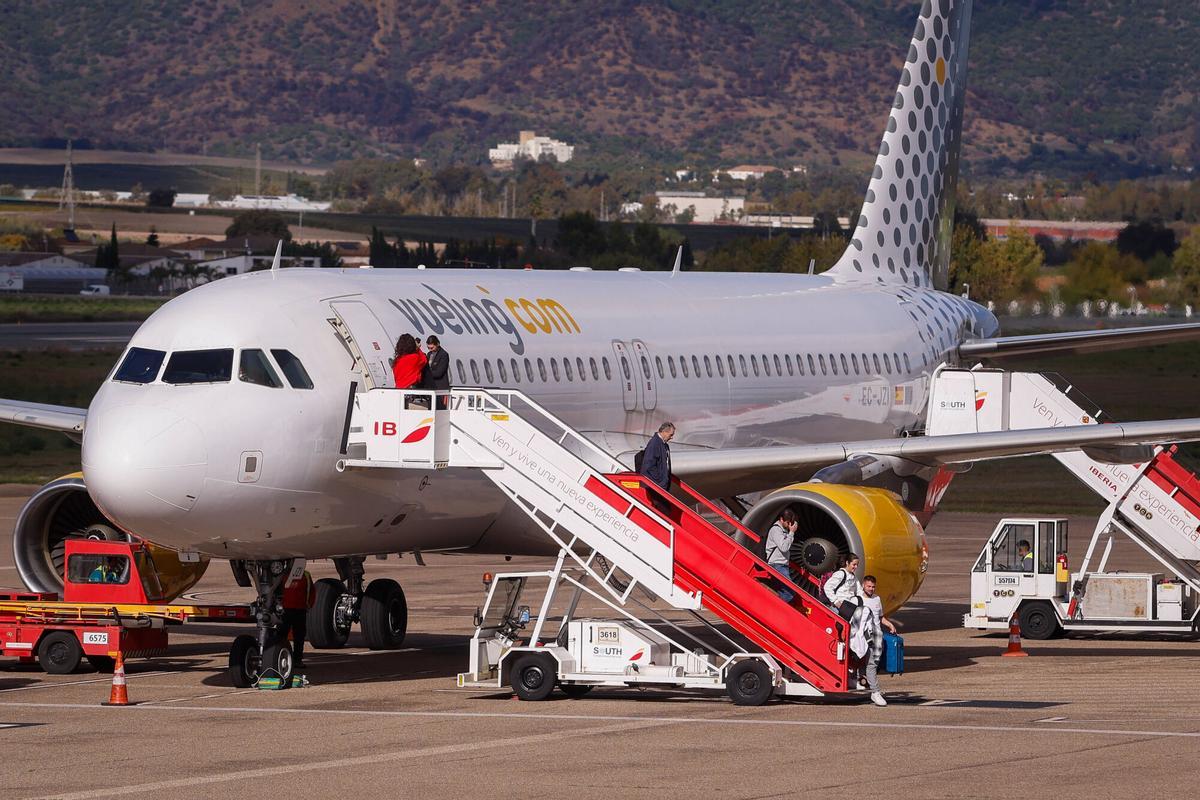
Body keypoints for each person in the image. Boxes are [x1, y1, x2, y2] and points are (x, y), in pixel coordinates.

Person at [858, 574, 897, 707]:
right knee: (872, 664)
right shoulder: (858, 599)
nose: (871, 589)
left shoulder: (876, 599)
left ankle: (866, 682)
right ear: (863, 585)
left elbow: (880, 617)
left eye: (873, 587)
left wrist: (890, 624)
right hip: (864, 637)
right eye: (868, 586)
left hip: (877, 636)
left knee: (875, 663)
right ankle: (875, 692)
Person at [278, 570, 315, 669]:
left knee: (299, 636)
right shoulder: (283, 574)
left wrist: (309, 605)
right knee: (282, 635)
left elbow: (311, 591)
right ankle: (278, 657)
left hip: (300, 609)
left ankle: (297, 659)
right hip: (286, 610)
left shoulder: (306, 575)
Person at [640, 422, 674, 514]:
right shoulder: (654, 444)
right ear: (664, 432)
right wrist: (661, 480)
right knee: (665, 512)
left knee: (666, 510)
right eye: (671, 435)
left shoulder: (664, 445)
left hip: (661, 485)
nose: (672, 437)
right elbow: (649, 465)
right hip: (656, 485)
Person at [764, 509, 798, 602]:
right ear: (781, 519)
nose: (789, 525)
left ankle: (775, 607)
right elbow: (784, 547)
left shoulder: (783, 530)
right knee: (790, 592)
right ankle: (776, 609)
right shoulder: (776, 530)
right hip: (777, 564)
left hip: (781, 565)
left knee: (785, 591)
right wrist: (791, 533)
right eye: (788, 522)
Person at [824, 553, 862, 620]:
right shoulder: (840, 574)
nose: (856, 567)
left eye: (857, 565)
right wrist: (836, 602)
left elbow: (859, 591)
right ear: (847, 563)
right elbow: (827, 587)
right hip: (839, 608)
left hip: (849, 608)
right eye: (854, 564)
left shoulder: (854, 577)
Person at [421, 334, 451, 408]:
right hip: (430, 387)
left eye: (432, 347)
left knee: (440, 408)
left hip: (440, 387)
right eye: (428, 348)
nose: (430, 350)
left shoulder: (444, 355)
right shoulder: (429, 354)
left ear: (437, 344)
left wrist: (426, 375)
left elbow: (439, 373)